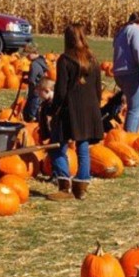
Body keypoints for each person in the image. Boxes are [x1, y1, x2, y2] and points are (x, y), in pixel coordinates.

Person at [46, 23, 103, 201]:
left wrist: (53, 110)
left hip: (70, 109)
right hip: (90, 108)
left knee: (57, 147)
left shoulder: (65, 59)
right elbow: (97, 87)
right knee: (83, 147)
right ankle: (81, 187)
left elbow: (61, 90)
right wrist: (95, 106)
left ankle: (64, 186)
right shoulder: (93, 58)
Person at [112, 12, 139, 133]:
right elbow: (138, 51)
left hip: (120, 73)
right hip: (132, 72)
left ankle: (135, 132)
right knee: (135, 108)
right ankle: (130, 136)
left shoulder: (122, 31)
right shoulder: (135, 31)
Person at [21, 44, 49, 123]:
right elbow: (38, 74)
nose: (27, 57)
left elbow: (32, 80)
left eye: (27, 55)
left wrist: (24, 80)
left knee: (31, 112)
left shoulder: (34, 64)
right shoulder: (41, 61)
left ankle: (32, 122)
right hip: (40, 90)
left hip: (34, 92)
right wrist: (27, 73)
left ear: (32, 53)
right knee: (36, 109)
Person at [36, 77, 55, 142]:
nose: (38, 95)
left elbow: (49, 123)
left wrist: (48, 137)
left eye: (39, 93)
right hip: (47, 137)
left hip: (51, 138)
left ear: (47, 91)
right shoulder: (45, 103)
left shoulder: (51, 105)